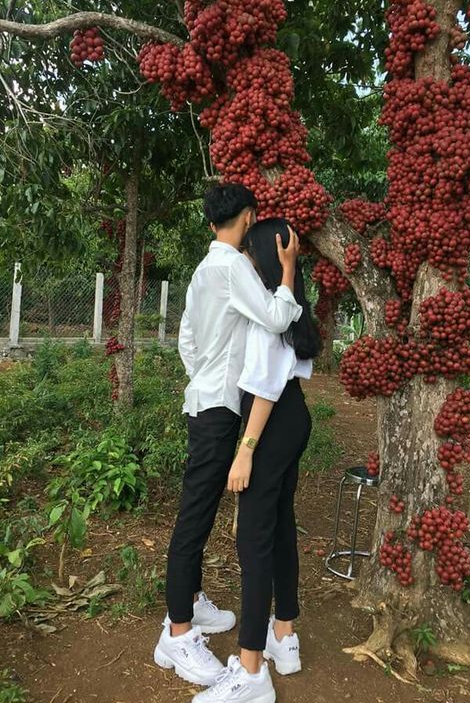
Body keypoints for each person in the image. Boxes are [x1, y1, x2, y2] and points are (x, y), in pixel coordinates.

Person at [154, 186, 302, 688]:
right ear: (249, 217)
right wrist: (287, 268)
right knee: (195, 515)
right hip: (218, 408)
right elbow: (279, 317)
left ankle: (191, 604)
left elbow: (186, 338)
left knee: (199, 509)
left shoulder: (203, 268)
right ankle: (177, 633)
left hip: (206, 399)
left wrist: (205, 375)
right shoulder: (234, 266)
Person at [192, 219, 321, 703]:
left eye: (248, 252)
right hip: (294, 419)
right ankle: (283, 636)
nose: (242, 259)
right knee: (280, 527)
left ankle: (250, 672)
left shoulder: (268, 313)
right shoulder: (288, 308)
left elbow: (264, 385)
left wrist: (245, 452)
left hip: (268, 424)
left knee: (253, 539)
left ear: (263, 258)